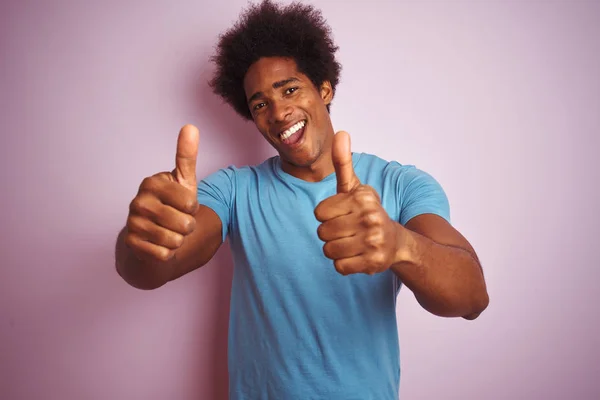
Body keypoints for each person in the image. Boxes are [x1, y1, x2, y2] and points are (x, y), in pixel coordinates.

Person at [115, 0, 489, 398]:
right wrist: (145, 241)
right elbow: (150, 272)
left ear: (324, 88)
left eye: (289, 89)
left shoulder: (400, 184)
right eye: (260, 104)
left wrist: (401, 244)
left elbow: (472, 298)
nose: (278, 112)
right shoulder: (234, 190)